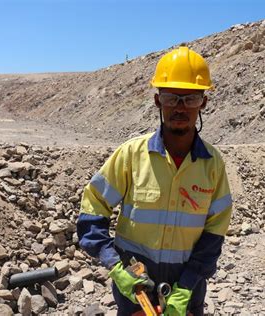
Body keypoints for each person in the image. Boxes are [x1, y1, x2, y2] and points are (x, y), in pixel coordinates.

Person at [76, 46, 233, 316]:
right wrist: (116, 267)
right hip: (135, 286)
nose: (180, 108)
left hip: (188, 287)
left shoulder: (213, 164)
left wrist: (186, 285)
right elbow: (92, 210)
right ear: (158, 100)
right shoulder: (131, 155)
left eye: (190, 99)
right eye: (171, 98)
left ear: (204, 103)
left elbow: (214, 233)